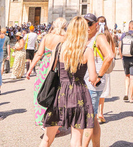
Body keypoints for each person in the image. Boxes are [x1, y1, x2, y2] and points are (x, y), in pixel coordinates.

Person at [40, 16, 99, 147]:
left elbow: (50, 69)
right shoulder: (87, 51)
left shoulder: (59, 47)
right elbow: (93, 78)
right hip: (79, 94)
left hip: (60, 93)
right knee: (76, 140)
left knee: (47, 139)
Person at [82, 13, 114, 147]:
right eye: (85, 24)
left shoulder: (99, 37)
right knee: (93, 118)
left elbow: (110, 56)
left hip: (93, 84)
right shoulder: (86, 38)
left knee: (89, 119)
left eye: (89, 24)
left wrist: (99, 76)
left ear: (96, 25)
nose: (87, 27)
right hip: (85, 82)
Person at [28, 17, 67, 126]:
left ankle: (41, 118)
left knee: (41, 90)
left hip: (45, 66)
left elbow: (39, 54)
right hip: (58, 65)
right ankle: (53, 121)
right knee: (56, 92)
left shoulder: (47, 37)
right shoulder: (66, 38)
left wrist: (30, 69)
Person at [96, 26, 117, 124]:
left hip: (95, 64)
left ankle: (94, 113)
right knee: (102, 91)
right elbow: (113, 52)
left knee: (92, 89)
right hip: (105, 64)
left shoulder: (95, 37)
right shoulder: (109, 37)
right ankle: (100, 113)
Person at [119, 20, 133, 103]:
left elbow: (120, 46)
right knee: (132, 77)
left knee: (126, 76)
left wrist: (121, 56)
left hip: (125, 58)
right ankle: (131, 97)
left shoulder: (124, 35)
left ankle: (126, 93)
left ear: (129, 26)